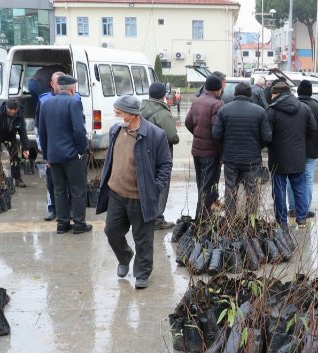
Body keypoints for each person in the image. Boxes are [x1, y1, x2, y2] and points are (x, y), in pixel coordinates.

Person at [96, 96, 173, 289]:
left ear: (132, 114)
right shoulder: (116, 130)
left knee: (143, 240)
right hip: (116, 194)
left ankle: (142, 273)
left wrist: (155, 187)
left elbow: (165, 164)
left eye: (119, 113)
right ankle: (124, 257)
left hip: (140, 197)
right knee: (111, 231)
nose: (116, 116)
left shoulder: (155, 134)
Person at [38, 74, 92, 235]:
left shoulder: (45, 104)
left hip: (54, 156)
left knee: (59, 190)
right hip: (72, 155)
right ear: (71, 88)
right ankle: (79, 224)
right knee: (77, 190)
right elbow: (79, 130)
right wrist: (82, 150)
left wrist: (47, 155)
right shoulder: (74, 102)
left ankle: (62, 224)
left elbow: (42, 132)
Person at [212, 82, 272, 220]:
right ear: (250, 94)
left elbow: (216, 135)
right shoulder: (259, 111)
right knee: (252, 189)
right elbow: (267, 137)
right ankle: (250, 219)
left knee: (230, 189)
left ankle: (230, 219)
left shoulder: (224, 110)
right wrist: (257, 146)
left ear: (235, 94)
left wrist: (226, 147)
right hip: (252, 159)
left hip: (231, 158)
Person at [266, 81, 316, 227]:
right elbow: (312, 129)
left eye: (272, 94)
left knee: (279, 190)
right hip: (298, 155)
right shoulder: (304, 108)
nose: (271, 97)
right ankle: (302, 219)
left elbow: (267, 135)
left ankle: (282, 221)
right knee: (300, 188)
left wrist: (272, 145)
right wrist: (300, 141)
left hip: (277, 157)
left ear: (277, 93)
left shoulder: (272, 110)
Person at [287, 80, 318, 218]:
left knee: (291, 177)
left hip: (292, 149)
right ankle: (304, 209)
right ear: (311, 92)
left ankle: (292, 208)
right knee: (308, 178)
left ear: (298, 92)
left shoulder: (292, 105)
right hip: (311, 150)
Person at [140, 82, 180, 230]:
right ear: (164, 95)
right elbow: (173, 137)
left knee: (146, 183)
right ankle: (157, 218)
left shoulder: (140, 108)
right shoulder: (162, 112)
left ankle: (147, 214)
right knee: (162, 184)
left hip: (143, 153)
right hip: (160, 155)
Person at [185, 74, 224, 219]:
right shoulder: (217, 104)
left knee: (201, 183)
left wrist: (197, 134)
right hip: (211, 152)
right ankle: (201, 220)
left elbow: (188, 122)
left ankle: (204, 216)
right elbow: (217, 132)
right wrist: (222, 151)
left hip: (197, 150)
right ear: (218, 89)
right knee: (206, 187)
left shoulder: (197, 101)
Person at [0, 98, 30, 187]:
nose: (13, 111)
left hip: (10, 135)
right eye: (11, 109)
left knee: (14, 155)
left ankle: (17, 178)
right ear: (6, 107)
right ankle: (0, 176)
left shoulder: (19, 114)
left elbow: (23, 131)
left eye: (15, 109)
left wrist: (26, 148)